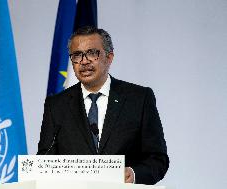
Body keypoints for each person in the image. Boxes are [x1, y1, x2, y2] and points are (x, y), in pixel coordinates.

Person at [37, 26, 169, 184]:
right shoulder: (56, 105)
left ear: (109, 57)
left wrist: (134, 174)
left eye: (92, 53)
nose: (84, 61)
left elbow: (157, 158)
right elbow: (45, 161)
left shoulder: (139, 98)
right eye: (77, 55)